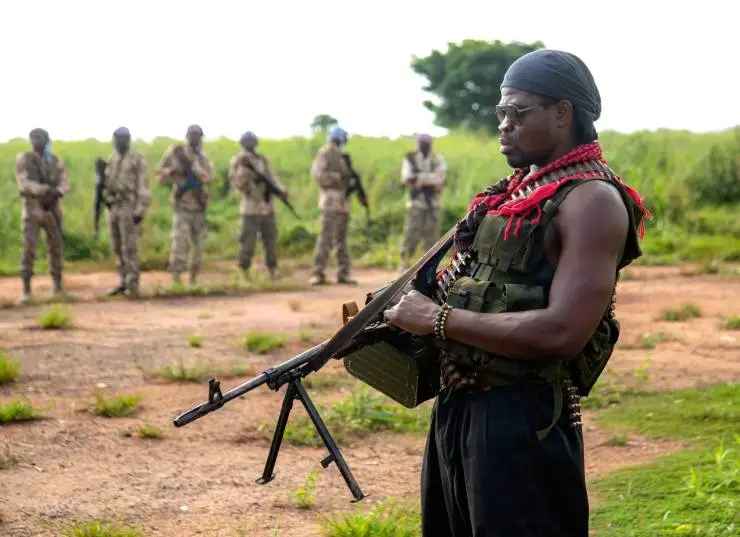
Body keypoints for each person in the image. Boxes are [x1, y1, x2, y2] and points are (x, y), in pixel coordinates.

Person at [383, 49, 651, 537]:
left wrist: (437, 320)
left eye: (518, 113)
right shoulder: (514, 192)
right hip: (460, 405)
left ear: (563, 113)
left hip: (523, 420)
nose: (504, 125)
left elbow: (563, 332)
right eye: (500, 112)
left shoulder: (591, 200)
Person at [15, 128, 71, 304]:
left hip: (52, 209)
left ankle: (58, 287)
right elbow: (24, 183)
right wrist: (46, 191)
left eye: (39, 138)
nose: (35, 141)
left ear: (46, 140)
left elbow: (65, 182)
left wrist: (58, 192)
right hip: (33, 209)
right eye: (33, 138)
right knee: (29, 248)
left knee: (56, 247)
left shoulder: (55, 160)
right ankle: (26, 290)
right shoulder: (24, 159)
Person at [156, 125, 214, 286]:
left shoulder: (202, 158)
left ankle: (193, 279)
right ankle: (176, 278)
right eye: (192, 135)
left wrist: (197, 172)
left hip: (198, 205)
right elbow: (160, 174)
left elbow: (210, 178)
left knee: (198, 246)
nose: (194, 138)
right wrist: (173, 171)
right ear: (187, 136)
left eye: (197, 135)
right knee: (179, 243)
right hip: (182, 205)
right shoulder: (176, 153)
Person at [228, 131, 286, 280]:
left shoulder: (262, 159)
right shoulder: (238, 160)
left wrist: (280, 190)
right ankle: (244, 272)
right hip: (250, 208)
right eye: (247, 141)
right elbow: (237, 183)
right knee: (247, 242)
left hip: (266, 207)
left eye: (252, 141)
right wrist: (246, 172)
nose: (250, 143)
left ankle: (272, 270)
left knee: (270, 241)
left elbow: (272, 178)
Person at [101, 127, 150, 296]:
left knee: (129, 247)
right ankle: (123, 280)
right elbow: (108, 182)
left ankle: (132, 283)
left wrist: (141, 209)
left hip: (129, 205)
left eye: (122, 139)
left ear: (128, 140)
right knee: (116, 245)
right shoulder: (113, 158)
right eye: (117, 139)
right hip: (114, 205)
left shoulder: (137, 159)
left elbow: (143, 185)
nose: (119, 142)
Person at [309, 125, 356, 285]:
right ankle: (317, 272)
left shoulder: (342, 155)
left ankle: (343, 273)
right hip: (330, 201)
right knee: (326, 238)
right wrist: (337, 177)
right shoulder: (326, 152)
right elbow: (318, 174)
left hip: (342, 202)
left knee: (341, 239)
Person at [399, 133, 447, 271]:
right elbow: (406, 177)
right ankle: (404, 265)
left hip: (433, 203)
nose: (423, 145)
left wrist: (420, 179)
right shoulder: (410, 157)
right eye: (421, 143)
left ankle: (430, 268)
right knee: (411, 234)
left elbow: (440, 179)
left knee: (431, 237)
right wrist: (429, 179)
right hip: (416, 203)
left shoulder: (437, 158)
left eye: (426, 143)